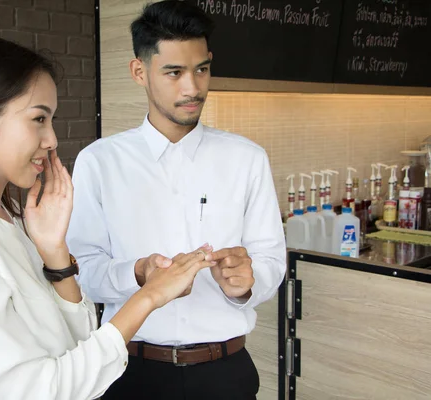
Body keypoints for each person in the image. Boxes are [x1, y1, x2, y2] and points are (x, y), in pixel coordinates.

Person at [0, 37, 217, 400]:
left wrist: (55, 254)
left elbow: (77, 347)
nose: (51, 139)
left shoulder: (12, 221)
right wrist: (149, 297)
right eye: (38, 119)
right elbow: (35, 391)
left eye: (51, 120)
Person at [66, 2, 287, 399]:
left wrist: (246, 283)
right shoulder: (99, 162)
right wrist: (137, 273)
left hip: (225, 373)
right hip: (131, 374)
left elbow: (271, 259)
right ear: (140, 72)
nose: (193, 87)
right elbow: (82, 273)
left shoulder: (247, 158)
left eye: (201, 69)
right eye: (174, 73)